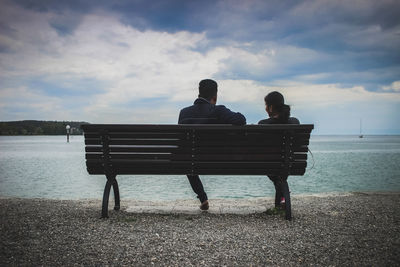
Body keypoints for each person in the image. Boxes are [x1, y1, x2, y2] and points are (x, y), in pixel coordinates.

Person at [178, 79, 246, 210]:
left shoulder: (184, 113)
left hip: (192, 160)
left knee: (187, 159)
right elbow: (241, 119)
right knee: (188, 157)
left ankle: (202, 198)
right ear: (214, 97)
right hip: (218, 159)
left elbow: (183, 142)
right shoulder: (219, 111)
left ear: (198, 95)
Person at [258, 91, 299, 211]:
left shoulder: (263, 124)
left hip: (268, 164)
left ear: (270, 107)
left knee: (270, 164)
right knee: (279, 169)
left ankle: (281, 196)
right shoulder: (294, 122)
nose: (265, 108)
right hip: (288, 162)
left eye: (266, 105)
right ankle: (282, 195)